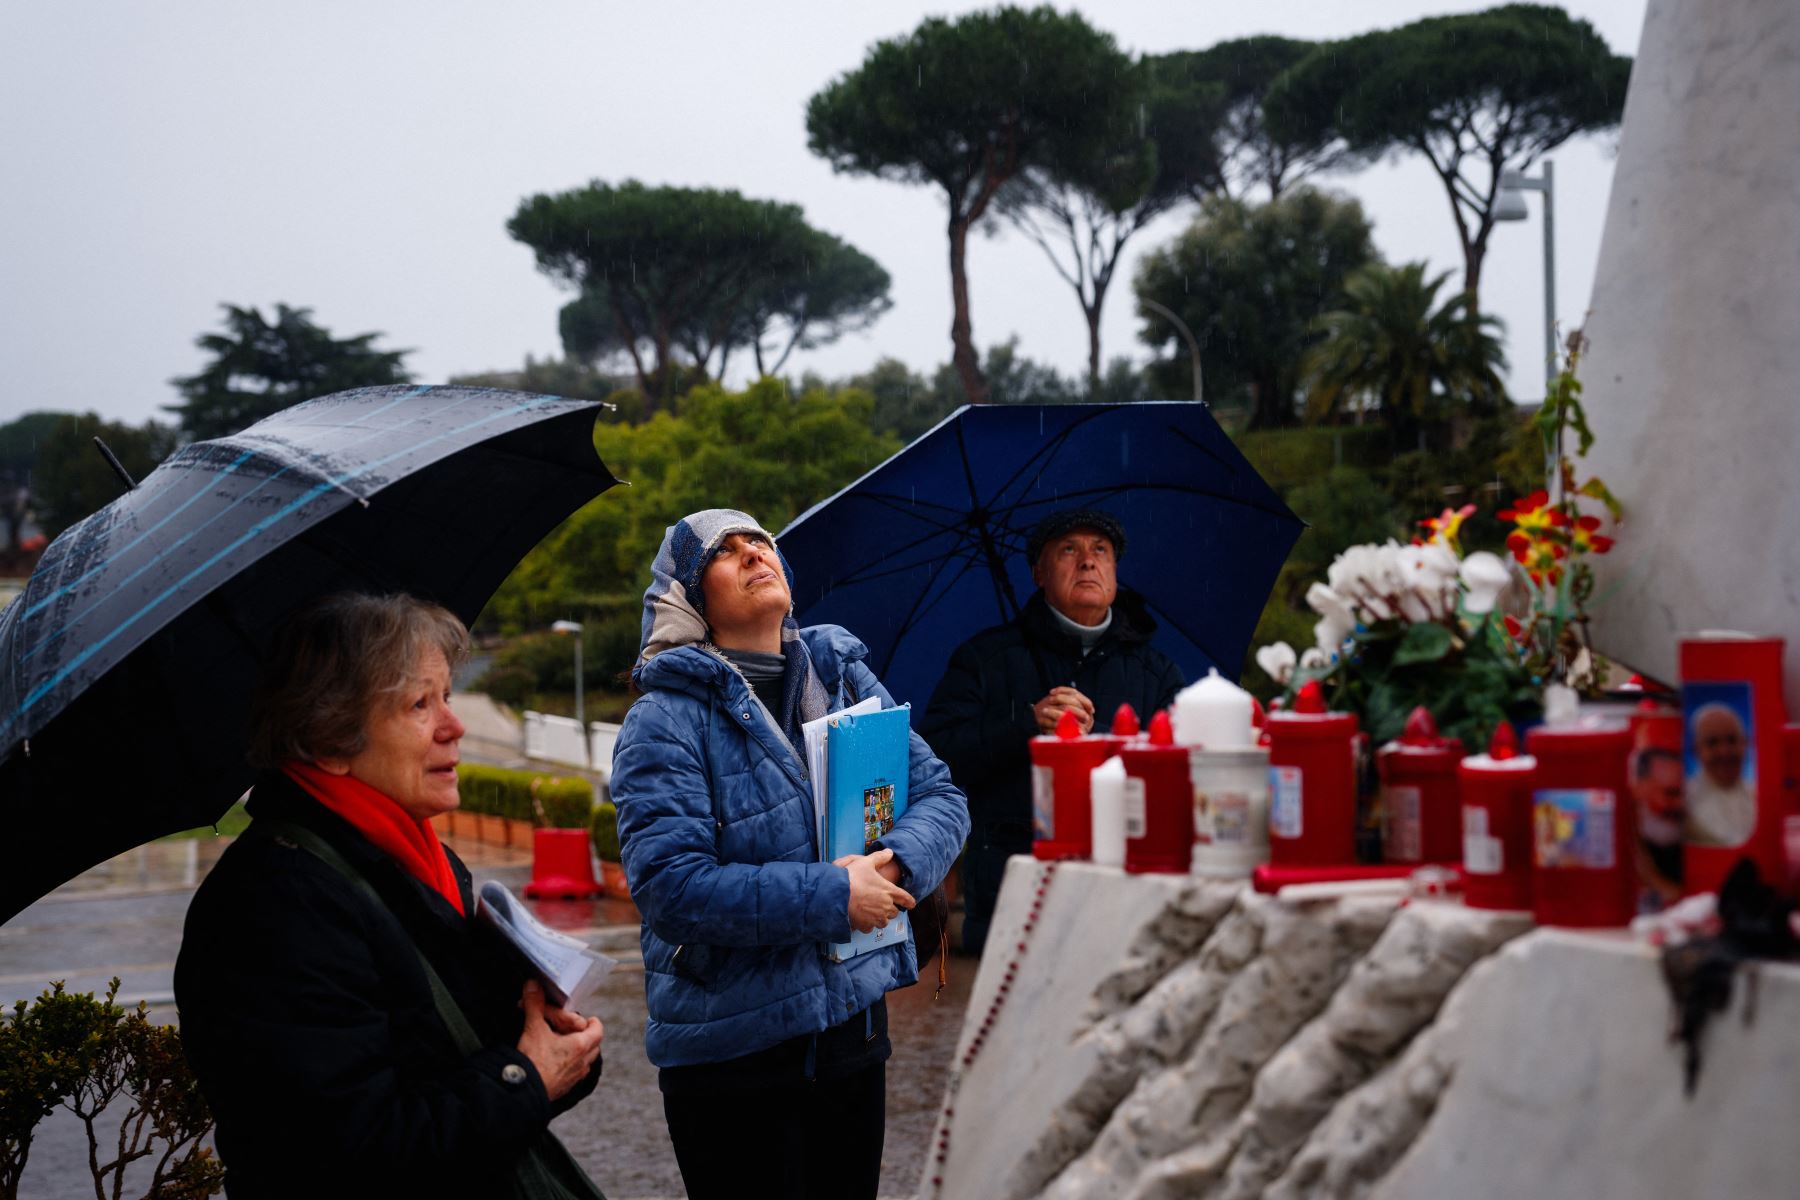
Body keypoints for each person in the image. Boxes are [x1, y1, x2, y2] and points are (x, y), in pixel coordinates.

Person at [175, 594, 606, 1199]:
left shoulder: (415, 860)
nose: (454, 726)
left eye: (447, 696)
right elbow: (352, 1149)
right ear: (328, 740)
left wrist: (551, 1034)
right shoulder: (275, 908)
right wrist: (526, 1077)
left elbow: (459, 1050)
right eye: (418, 705)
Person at [610, 509, 968, 1200]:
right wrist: (836, 898)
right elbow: (674, 889)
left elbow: (941, 797)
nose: (752, 553)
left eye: (761, 542)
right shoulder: (664, 720)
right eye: (725, 550)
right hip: (734, 1058)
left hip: (852, 1035)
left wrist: (886, 869)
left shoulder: (844, 681)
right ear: (688, 596)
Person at [921, 508, 1184, 955]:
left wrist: (1096, 737)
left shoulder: (1154, 672)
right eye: (1069, 550)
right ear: (1039, 574)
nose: (1087, 562)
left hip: (1123, 880)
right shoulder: (985, 659)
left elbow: (1178, 767)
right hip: (1013, 881)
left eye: (1100, 550)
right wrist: (1026, 722)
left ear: (1114, 572)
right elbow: (937, 754)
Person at [1685, 702, 1757, 846]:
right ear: (1697, 750)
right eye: (1712, 743)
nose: (1724, 752)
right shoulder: (1682, 803)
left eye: (1731, 740)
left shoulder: (1760, 796)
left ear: (1745, 744)